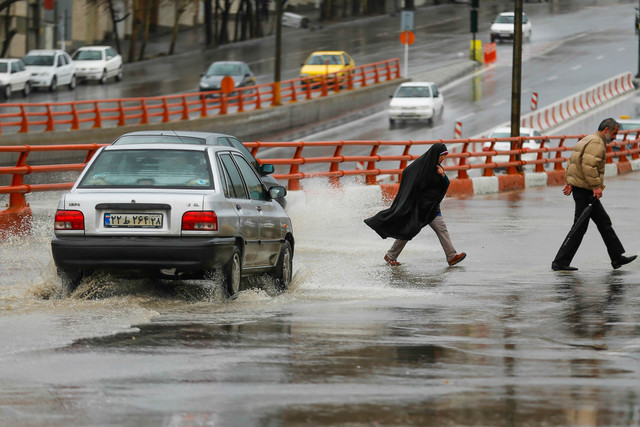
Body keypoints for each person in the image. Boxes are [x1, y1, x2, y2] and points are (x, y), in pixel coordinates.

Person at [551, 118, 637, 271]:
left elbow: (574, 161)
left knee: (604, 222)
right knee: (579, 227)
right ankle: (560, 262)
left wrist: (570, 181)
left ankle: (617, 258)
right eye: (614, 133)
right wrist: (596, 187)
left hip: (582, 188)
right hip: (585, 191)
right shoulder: (597, 143)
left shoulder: (588, 139)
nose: (615, 137)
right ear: (606, 130)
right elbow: (588, 166)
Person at [364, 143, 466, 267]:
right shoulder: (419, 167)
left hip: (431, 208)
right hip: (417, 208)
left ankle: (451, 256)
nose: (443, 158)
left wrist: (443, 175)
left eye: (445, 155)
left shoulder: (438, 169)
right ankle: (391, 255)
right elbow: (408, 174)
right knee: (409, 230)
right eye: (442, 155)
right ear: (435, 155)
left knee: (442, 229)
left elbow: (445, 185)